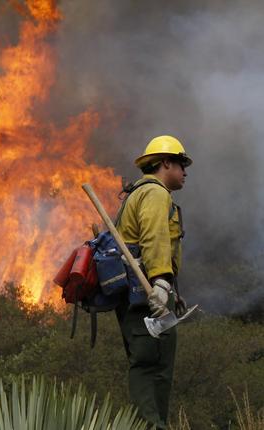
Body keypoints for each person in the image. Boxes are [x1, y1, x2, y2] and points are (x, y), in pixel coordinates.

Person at [115, 135, 191, 428]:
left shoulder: (137, 193)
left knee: (147, 361)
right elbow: (154, 237)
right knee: (153, 365)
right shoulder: (156, 193)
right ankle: (152, 425)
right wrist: (160, 283)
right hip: (146, 294)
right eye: (181, 164)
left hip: (136, 294)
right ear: (165, 163)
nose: (185, 172)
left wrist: (172, 289)